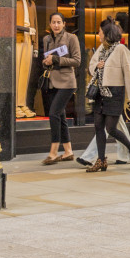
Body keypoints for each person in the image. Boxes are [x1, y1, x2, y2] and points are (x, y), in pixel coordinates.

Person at [84, 19, 130, 172]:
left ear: (107, 34)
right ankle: (101, 160)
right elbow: (91, 66)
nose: (98, 35)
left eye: (100, 32)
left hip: (115, 93)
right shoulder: (101, 49)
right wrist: (96, 66)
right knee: (98, 126)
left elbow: (128, 76)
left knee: (111, 128)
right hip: (99, 93)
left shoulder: (121, 50)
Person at [40, 12, 81, 165]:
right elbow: (45, 61)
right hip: (51, 82)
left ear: (64, 24)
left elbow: (77, 61)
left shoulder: (72, 38)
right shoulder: (47, 39)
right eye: (53, 22)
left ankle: (53, 152)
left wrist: (56, 59)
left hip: (67, 83)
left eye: (59, 22)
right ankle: (68, 151)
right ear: (50, 24)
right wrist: (47, 62)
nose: (56, 25)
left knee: (54, 113)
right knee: (61, 116)